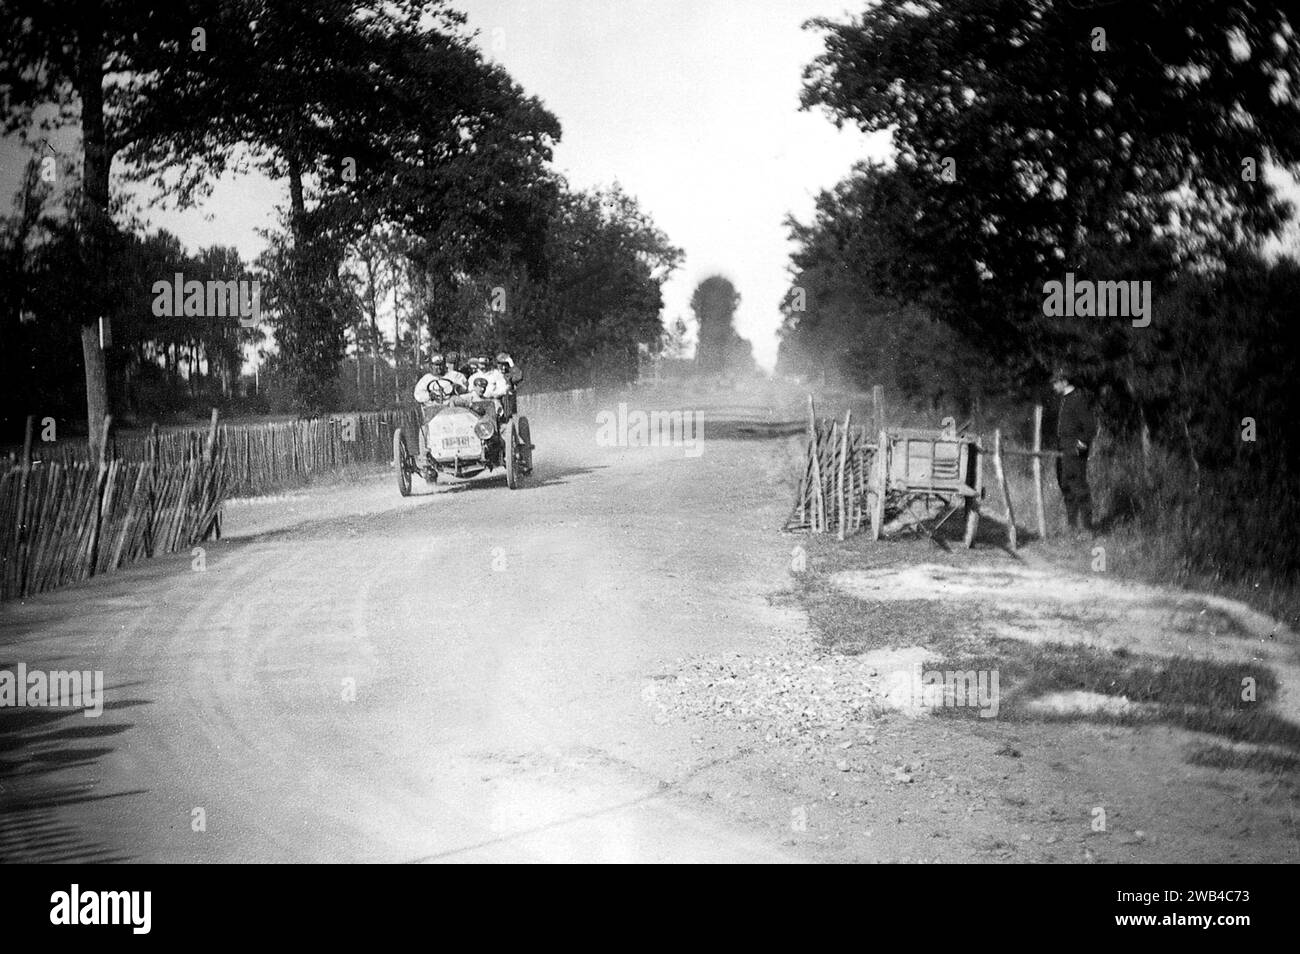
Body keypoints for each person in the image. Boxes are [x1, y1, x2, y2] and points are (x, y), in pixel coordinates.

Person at [1052, 368, 1096, 536]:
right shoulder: (1064, 400)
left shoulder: (1078, 399)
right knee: (1065, 485)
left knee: (1078, 486)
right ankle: (1072, 527)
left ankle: (1087, 529)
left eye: (1056, 382)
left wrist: (1080, 447)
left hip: (1074, 451)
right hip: (1062, 449)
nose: (1054, 386)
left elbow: (1089, 427)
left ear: (1064, 381)